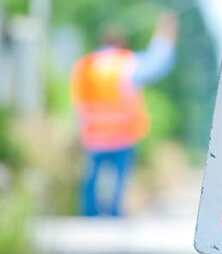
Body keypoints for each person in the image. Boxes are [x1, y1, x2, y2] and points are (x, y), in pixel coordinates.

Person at [70, 12, 178, 216]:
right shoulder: (126, 63)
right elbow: (156, 65)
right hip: (121, 136)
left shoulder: (86, 65)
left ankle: (88, 217)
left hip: (93, 136)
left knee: (91, 179)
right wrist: (164, 36)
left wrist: (76, 131)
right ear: (122, 42)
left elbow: (77, 102)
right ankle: (113, 216)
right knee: (118, 180)